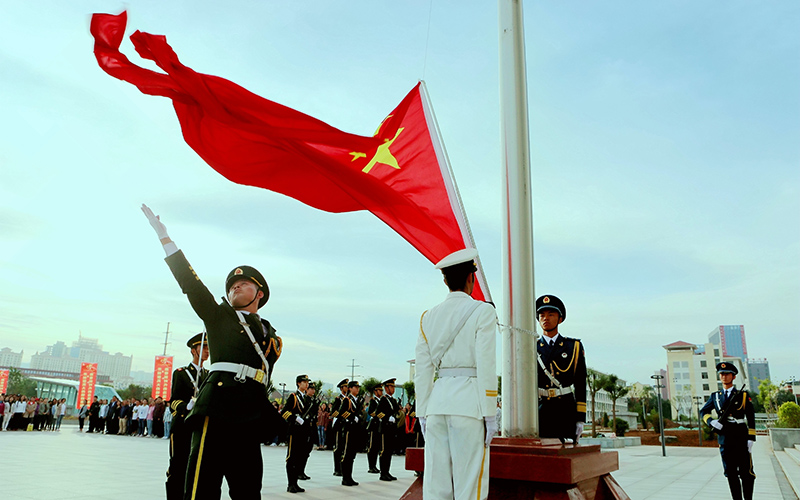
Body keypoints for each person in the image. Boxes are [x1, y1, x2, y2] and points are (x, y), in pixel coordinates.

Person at [142, 204, 283, 500]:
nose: (234, 288)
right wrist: (166, 239)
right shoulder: (218, 316)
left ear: (259, 294)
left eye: (242, 284)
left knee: (248, 489)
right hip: (216, 408)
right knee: (201, 487)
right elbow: (192, 285)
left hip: (249, 413)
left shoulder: (271, 335)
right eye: (231, 286)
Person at [415, 248, 497, 500]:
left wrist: (422, 412)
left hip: (436, 406)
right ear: (471, 279)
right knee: (470, 484)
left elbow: (422, 371)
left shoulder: (427, 317)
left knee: (435, 484)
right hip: (469, 405)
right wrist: (490, 413)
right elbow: (486, 365)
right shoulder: (483, 312)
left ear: (445, 281)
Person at [701, 362, 756, 500]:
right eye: (721, 374)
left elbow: (750, 416)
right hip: (725, 438)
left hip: (740, 437)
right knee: (730, 473)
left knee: (746, 473)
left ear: (734, 376)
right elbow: (703, 411)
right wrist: (711, 421)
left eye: (727, 374)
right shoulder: (715, 396)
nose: (724, 376)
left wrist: (751, 438)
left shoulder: (742, 395)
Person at [535, 294, 587, 443]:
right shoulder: (532, 347)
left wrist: (580, 418)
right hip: (540, 410)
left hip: (565, 409)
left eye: (551, 314)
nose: (546, 318)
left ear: (560, 319)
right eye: (542, 315)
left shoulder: (573, 347)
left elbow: (580, 382)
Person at [166, 333, 209, 500]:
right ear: (193, 350)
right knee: (178, 466)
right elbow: (173, 402)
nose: (207, 351)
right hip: (182, 426)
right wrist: (187, 406)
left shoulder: (208, 375)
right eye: (203, 347)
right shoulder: (181, 373)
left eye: (208, 348)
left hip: (200, 427)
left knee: (197, 468)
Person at [283, 374, 310, 493]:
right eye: (304, 382)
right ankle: (290, 484)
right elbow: (284, 412)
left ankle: (296, 483)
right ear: (299, 383)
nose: (306, 384)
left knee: (299, 458)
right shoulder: (293, 397)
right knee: (292, 458)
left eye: (307, 382)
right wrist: (295, 418)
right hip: (294, 431)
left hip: (303, 432)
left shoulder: (306, 398)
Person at [339, 380, 364, 487]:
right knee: (347, 454)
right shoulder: (347, 400)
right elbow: (342, 412)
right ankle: (345, 478)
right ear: (350, 388)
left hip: (355, 430)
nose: (357, 389)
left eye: (358, 387)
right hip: (348, 429)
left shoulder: (357, 400)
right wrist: (352, 417)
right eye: (355, 387)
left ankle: (349, 477)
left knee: (352, 455)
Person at [377, 378, 401, 481]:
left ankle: (387, 471)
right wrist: (387, 418)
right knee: (384, 451)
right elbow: (378, 413)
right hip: (385, 428)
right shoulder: (383, 399)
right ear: (386, 388)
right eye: (391, 387)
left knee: (389, 451)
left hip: (392, 428)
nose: (393, 389)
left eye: (394, 387)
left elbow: (396, 412)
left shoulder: (393, 400)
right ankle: (383, 473)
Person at [329, 378, 349, 477]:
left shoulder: (348, 399)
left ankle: (343, 468)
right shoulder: (338, 399)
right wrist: (342, 415)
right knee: (338, 448)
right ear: (341, 388)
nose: (347, 388)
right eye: (345, 386)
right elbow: (334, 412)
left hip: (346, 425)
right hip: (339, 424)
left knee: (344, 448)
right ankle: (337, 469)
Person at [366, 382, 384, 474]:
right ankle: (371, 466)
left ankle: (375, 466)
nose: (381, 392)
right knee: (372, 447)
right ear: (375, 391)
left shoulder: (381, 401)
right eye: (379, 390)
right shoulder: (373, 401)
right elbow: (371, 412)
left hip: (379, 426)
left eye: (381, 390)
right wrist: (380, 416)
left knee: (377, 447)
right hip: (374, 425)